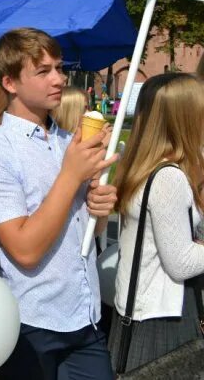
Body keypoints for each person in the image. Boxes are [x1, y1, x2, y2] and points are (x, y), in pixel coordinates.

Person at [0, 27, 119, 379]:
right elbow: (24, 249)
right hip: (30, 323)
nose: (58, 78)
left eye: (59, 67)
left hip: (84, 315)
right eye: (43, 71)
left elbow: (87, 232)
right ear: (10, 83)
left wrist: (99, 207)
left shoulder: (69, 140)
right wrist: (71, 177)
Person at [108, 73, 204, 373]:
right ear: (185, 118)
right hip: (162, 318)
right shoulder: (169, 179)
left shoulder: (142, 166)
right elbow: (181, 263)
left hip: (140, 311)